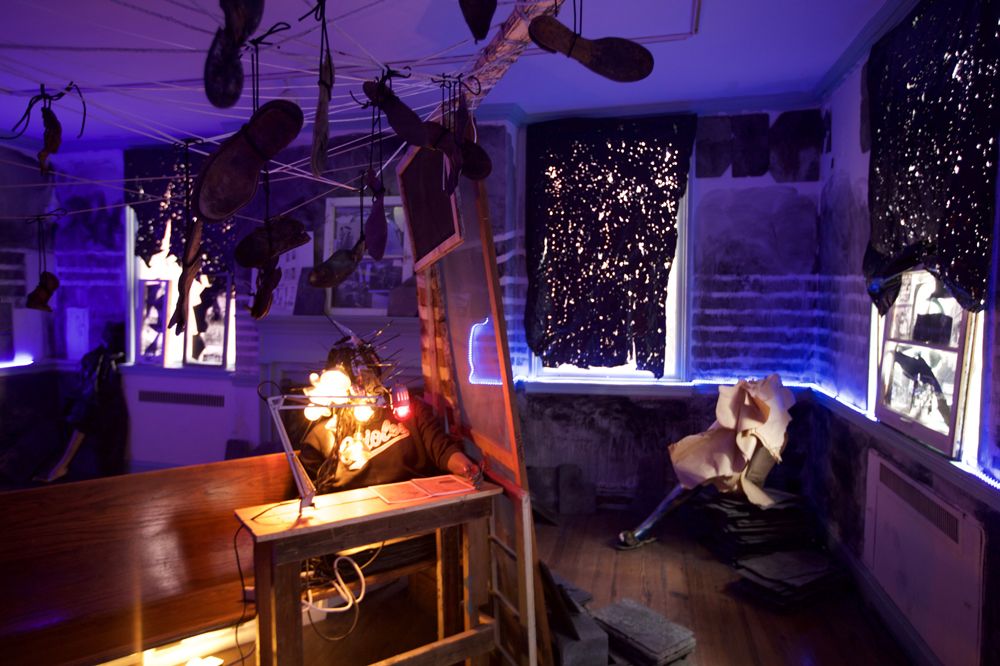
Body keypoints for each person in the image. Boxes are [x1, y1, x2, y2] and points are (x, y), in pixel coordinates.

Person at [298, 330, 482, 494]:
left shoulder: (410, 410)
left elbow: (442, 449)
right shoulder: (323, 435)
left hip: (416, 508)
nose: (359, 385)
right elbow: (309, 491)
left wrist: (466, 467)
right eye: (352, 379)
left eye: (365, 376)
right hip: (353, 516)